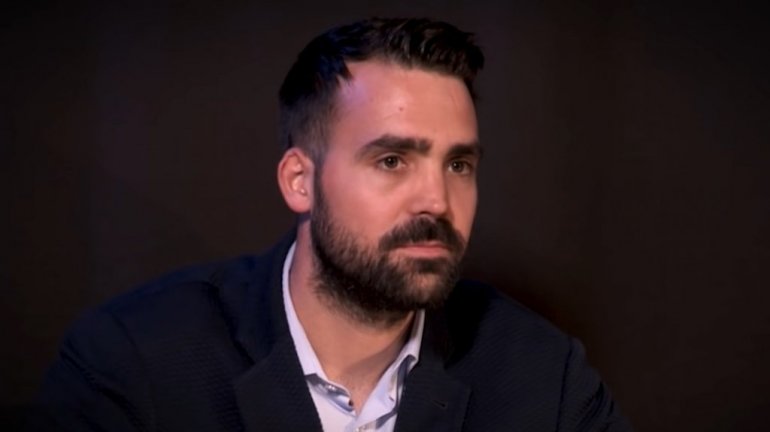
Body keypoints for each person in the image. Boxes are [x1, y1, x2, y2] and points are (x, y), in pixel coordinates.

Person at [31, 18, 631, 431]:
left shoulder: (542, 377)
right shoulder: (135, 361)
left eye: (459, 164)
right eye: (392, 160)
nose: (437, 201)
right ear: (300, 180)